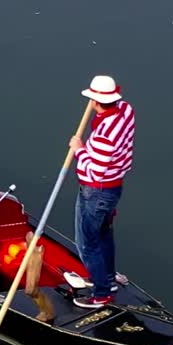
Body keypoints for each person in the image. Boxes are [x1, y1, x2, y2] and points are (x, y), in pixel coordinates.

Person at [67, 74, 135, 309]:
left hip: (96, 191)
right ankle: (107, 279)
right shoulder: (126, 110)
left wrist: (79, 149)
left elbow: (96, 171)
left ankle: (101, 293)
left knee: (87, 243)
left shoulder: (106, 134)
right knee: (104, 234)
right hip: (113, 187)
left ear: (95, 102)